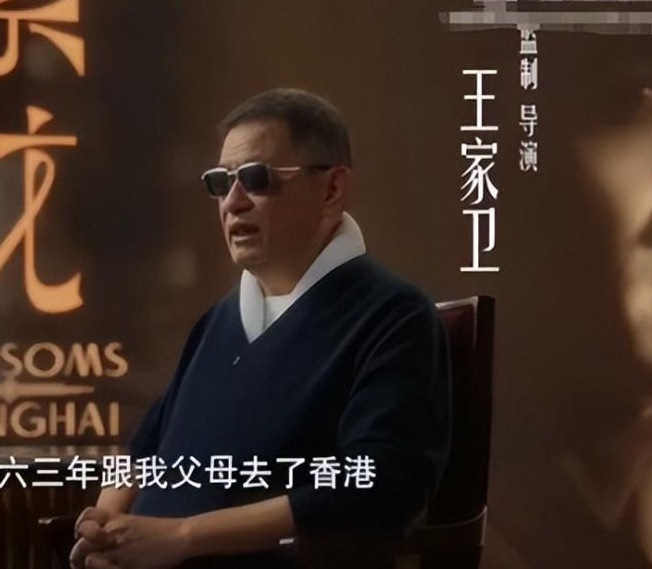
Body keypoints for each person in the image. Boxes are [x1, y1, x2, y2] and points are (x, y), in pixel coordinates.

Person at [70, 89, 451, 568]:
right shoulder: (219, 321)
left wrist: (185, 537)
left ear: (332, 190)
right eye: (220, 182)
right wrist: (106, 523)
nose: (232, 202)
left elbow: (378, 485)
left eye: (255, 178)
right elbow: (145, 451)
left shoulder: (393, 316)